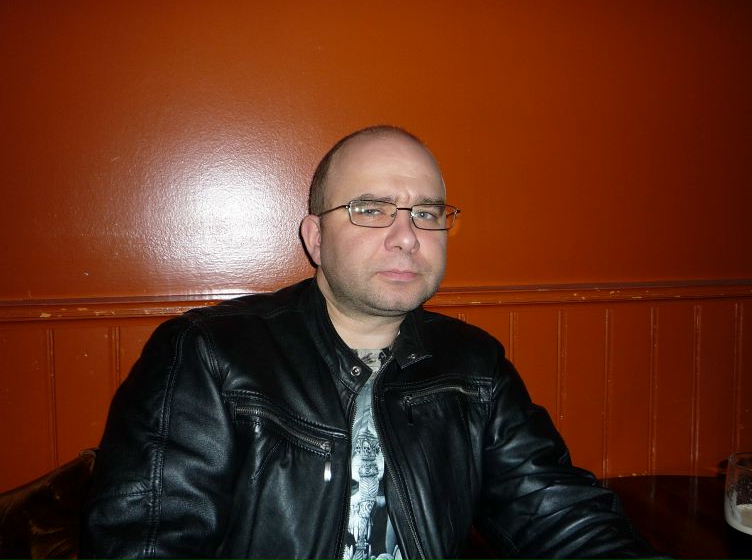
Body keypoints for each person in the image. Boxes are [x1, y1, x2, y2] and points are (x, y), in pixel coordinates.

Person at [80, 125, 668, 560]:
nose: (406, 236)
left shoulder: (474, 364)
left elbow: (557, 512)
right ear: (315, 238)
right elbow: (147, 544)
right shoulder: (208, 353)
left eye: (426, 214)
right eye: (371, 210)